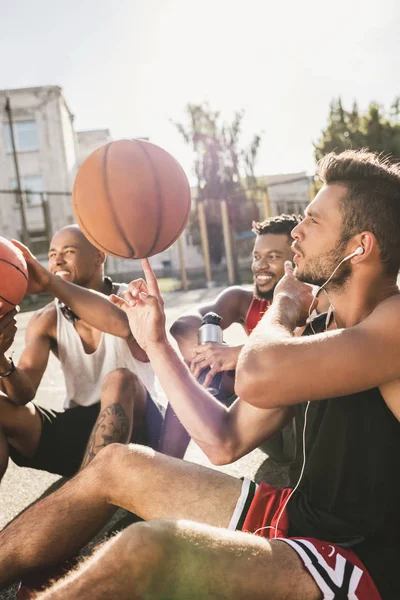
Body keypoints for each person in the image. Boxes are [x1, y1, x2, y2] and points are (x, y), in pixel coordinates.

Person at [0, 149, 399, 599]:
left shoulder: (394, 321)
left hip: (363, 562)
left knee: (151, 549)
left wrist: (285, 305)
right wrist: (155, 342)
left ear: (359, 246)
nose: (298, 231)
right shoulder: (326, 329)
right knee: (118, 464)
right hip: (303, 519)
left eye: (313, 221)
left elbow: (254, 374)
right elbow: (222, 440)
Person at [0, 225, 185, 481]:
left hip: (142, 427)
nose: (57, 260)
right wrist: (1, 360)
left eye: (68, 251)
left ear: (99, 256)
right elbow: (23, 394)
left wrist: (49, 282)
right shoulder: (46, 319)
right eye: (52, 254)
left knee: (120, 379)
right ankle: (87, 485)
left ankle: (84, 495)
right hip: (81, 430)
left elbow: (121, 324)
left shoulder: (131, 298)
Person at [170, 213, 303, 461]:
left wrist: (238, 354)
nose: (259, 265)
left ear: (297, 259)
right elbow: (182, 326)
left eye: (273, 257)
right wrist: (212, 353)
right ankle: (165, 463)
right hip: (266, 430)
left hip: (304, 431)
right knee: (202, 371)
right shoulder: (242, 300)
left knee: (273, 372)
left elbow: (301, 354)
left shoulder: (313, 299)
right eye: (256, 256)